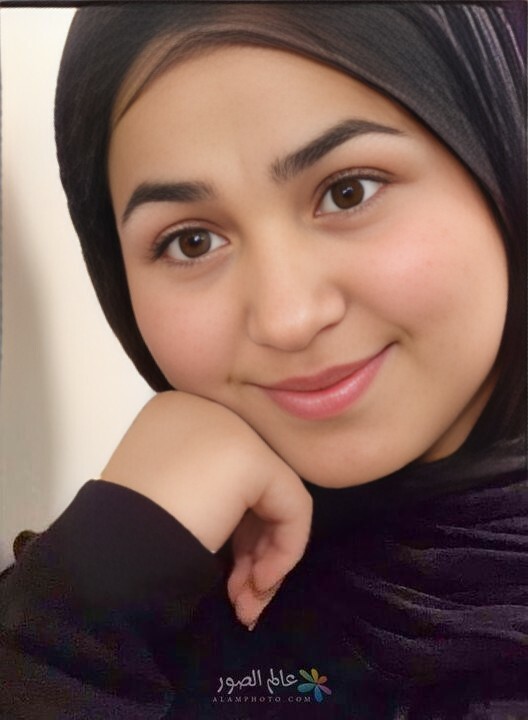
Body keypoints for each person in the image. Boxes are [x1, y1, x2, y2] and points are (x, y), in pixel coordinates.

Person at [0, 2, 526, 718]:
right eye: (191, 241)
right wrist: (82, 610)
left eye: (348, 191)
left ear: (502, 159)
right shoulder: (108, 611)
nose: (286, 319)